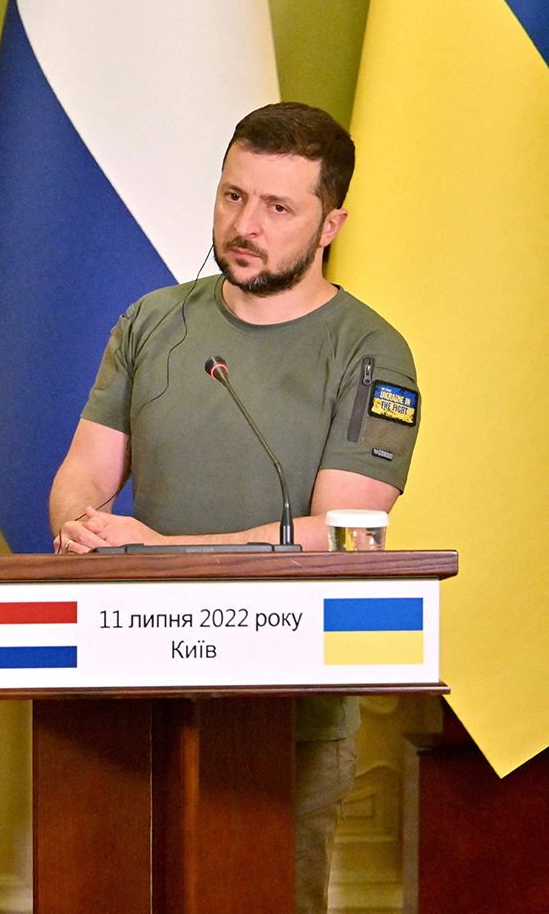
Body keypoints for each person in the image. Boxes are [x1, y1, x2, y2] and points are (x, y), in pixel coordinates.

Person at [46, 101, 418, 914]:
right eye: (231, 196)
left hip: (288, 714)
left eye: (278, 207)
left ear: (331, 223)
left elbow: (346, 531)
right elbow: (82, 474)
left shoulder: (372, 350)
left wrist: (154, 548)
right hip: (130, 696)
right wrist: (78, 520)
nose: (245, 224)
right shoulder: (151, 322)